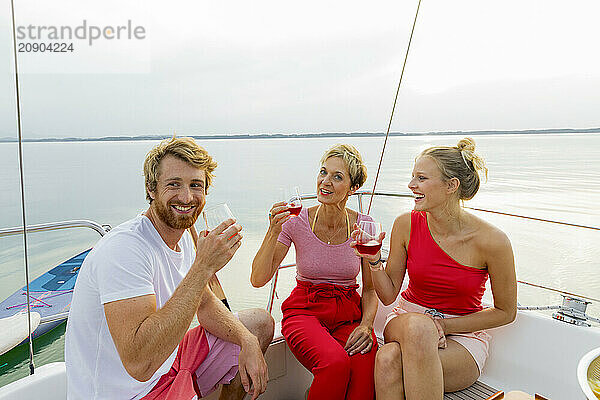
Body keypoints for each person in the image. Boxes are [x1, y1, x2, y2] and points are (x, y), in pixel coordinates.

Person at [65, 137, 274, 400]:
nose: (186, 197)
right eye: (174, 184)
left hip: (168, 362)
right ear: (151, 189)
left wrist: (246, 340)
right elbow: (139, 364)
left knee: (258, 325)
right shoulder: (125, 249)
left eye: (195, 185)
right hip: (131, 391)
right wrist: (203, 267)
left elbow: (205, 304)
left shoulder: (183, 235)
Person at [354, 138, 517, 399]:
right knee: (419, 328)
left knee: (387, 359)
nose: (411, 185)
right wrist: (373, 258)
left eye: (421, 178)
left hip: (463, 334)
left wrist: (445, 326)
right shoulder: (405, 224)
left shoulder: (493, 241)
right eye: (412, 177)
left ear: (451, 185)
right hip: (406, 320)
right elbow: (387, 295)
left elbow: (506, 312)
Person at [251, 144, 378, 400]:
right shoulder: (295, 221)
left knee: (365, 361)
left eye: (337, 176)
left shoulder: (365, 225)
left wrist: (367, 325)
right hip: (304, 310)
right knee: (335, 364)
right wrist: (273, 230)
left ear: (353, 188)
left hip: (348, 313)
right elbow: (258, 279)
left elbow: (371, 288)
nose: (325, 182)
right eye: (323, 172)